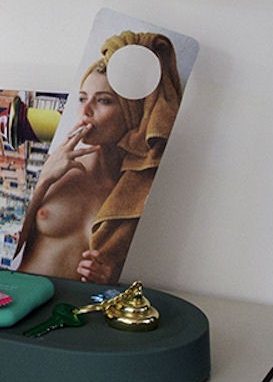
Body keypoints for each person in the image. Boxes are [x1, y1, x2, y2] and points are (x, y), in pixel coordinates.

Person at [13, 31, 183, 283]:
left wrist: (108, 276)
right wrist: (44, 180)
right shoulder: (56, 168)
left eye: (103, 101)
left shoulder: (138, 191)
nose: (85, 111)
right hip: (20, 296)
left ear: (131, 113)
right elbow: (3, 251)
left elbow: (152, 269)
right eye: (82, 98)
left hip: (79, 306)